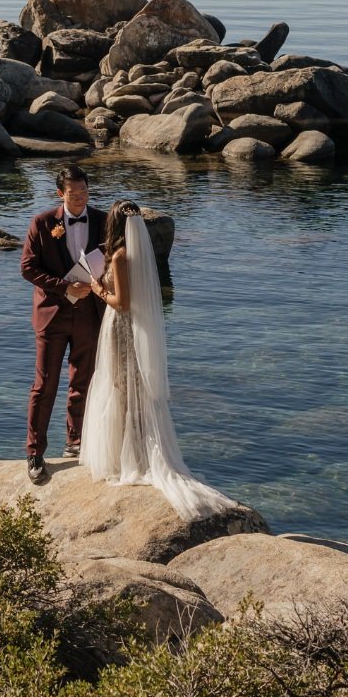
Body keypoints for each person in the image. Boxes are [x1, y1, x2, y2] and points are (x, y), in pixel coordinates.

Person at [77, 202, 238, 519]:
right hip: (127, 330)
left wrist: (97, 288)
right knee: (128, 389)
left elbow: (121, 304)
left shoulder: (122, 257)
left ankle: (130, 458)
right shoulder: (139, 254)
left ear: (114, 225)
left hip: (120, 329)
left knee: (121, 389)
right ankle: (132, 452)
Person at [18, 164, 109, 484]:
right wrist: (63, 286)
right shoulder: (42, 223)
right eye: (74, 194)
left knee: (83, 381)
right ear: (60, 194)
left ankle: (76, 442)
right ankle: (35, 452)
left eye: (85, 192)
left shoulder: (102, 220)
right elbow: (28, 269)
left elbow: (113, 257)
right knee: (45, 386)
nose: (81, 198)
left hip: (89, 314)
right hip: (52, 315)